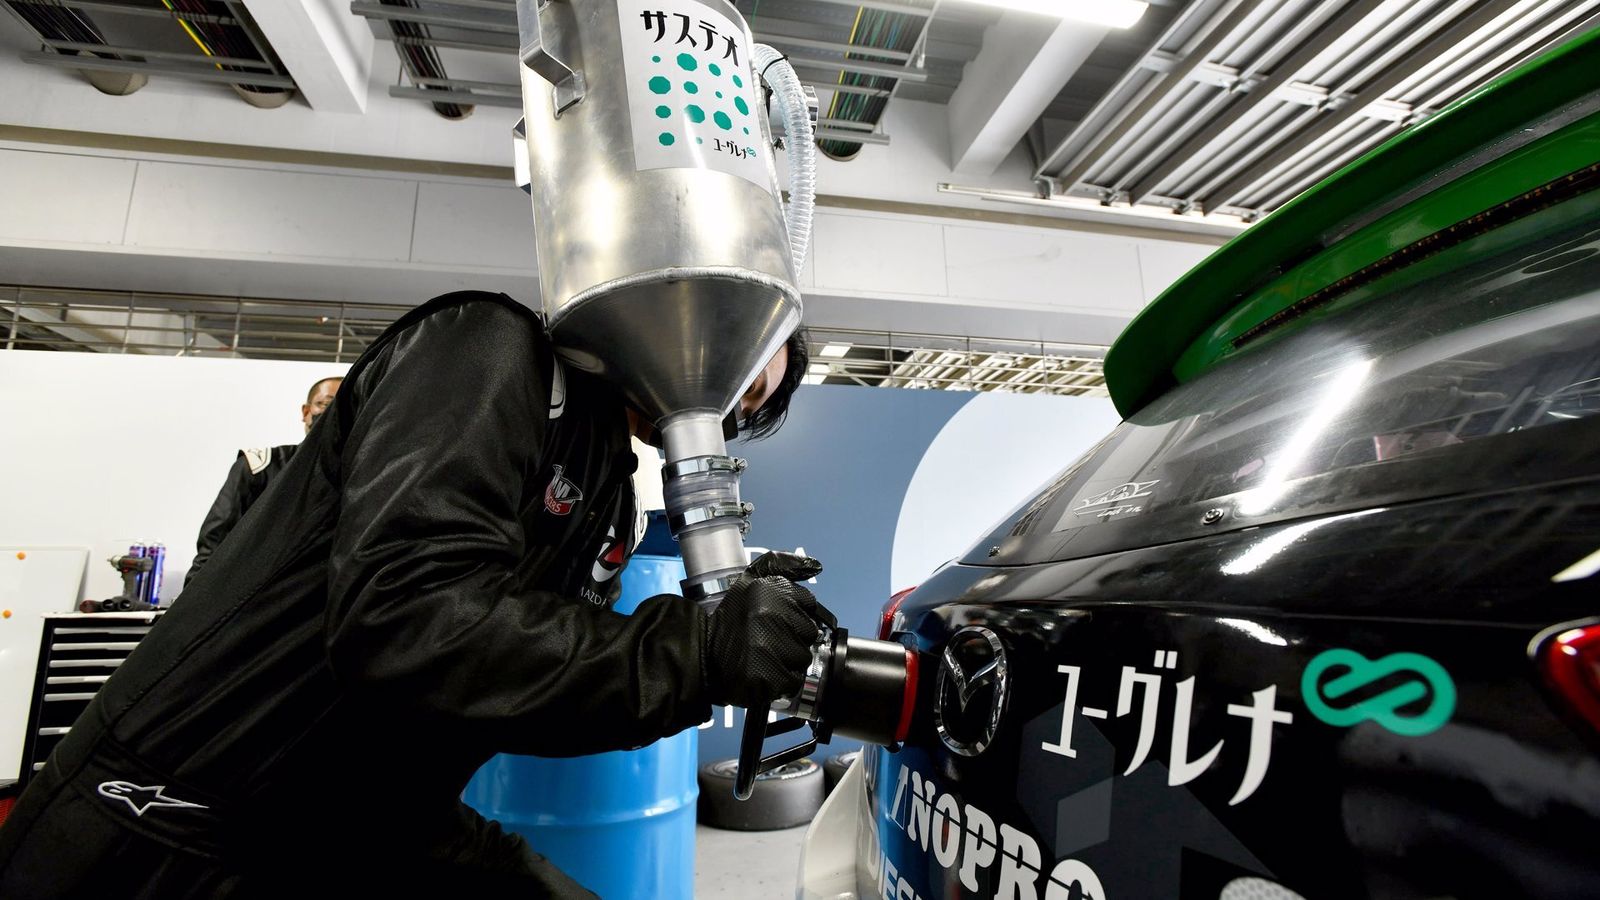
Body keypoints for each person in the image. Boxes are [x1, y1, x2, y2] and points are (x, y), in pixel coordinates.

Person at [0, 291, 827, 898]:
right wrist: (693, 650)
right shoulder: (487, 350)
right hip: (168, 831)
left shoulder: (610, 492)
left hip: (371, 826)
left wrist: (709, 655)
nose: (718, 392)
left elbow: (524, 690)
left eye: (745, 396)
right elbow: (406, 620)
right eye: (734, 358)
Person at [186, 376, 343, 584]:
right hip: (255, 600)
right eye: (325, 403)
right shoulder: (258, 467)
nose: (332, 414)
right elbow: (213, 546)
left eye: (344, 408)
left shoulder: (367, 482)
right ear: (306, 412)